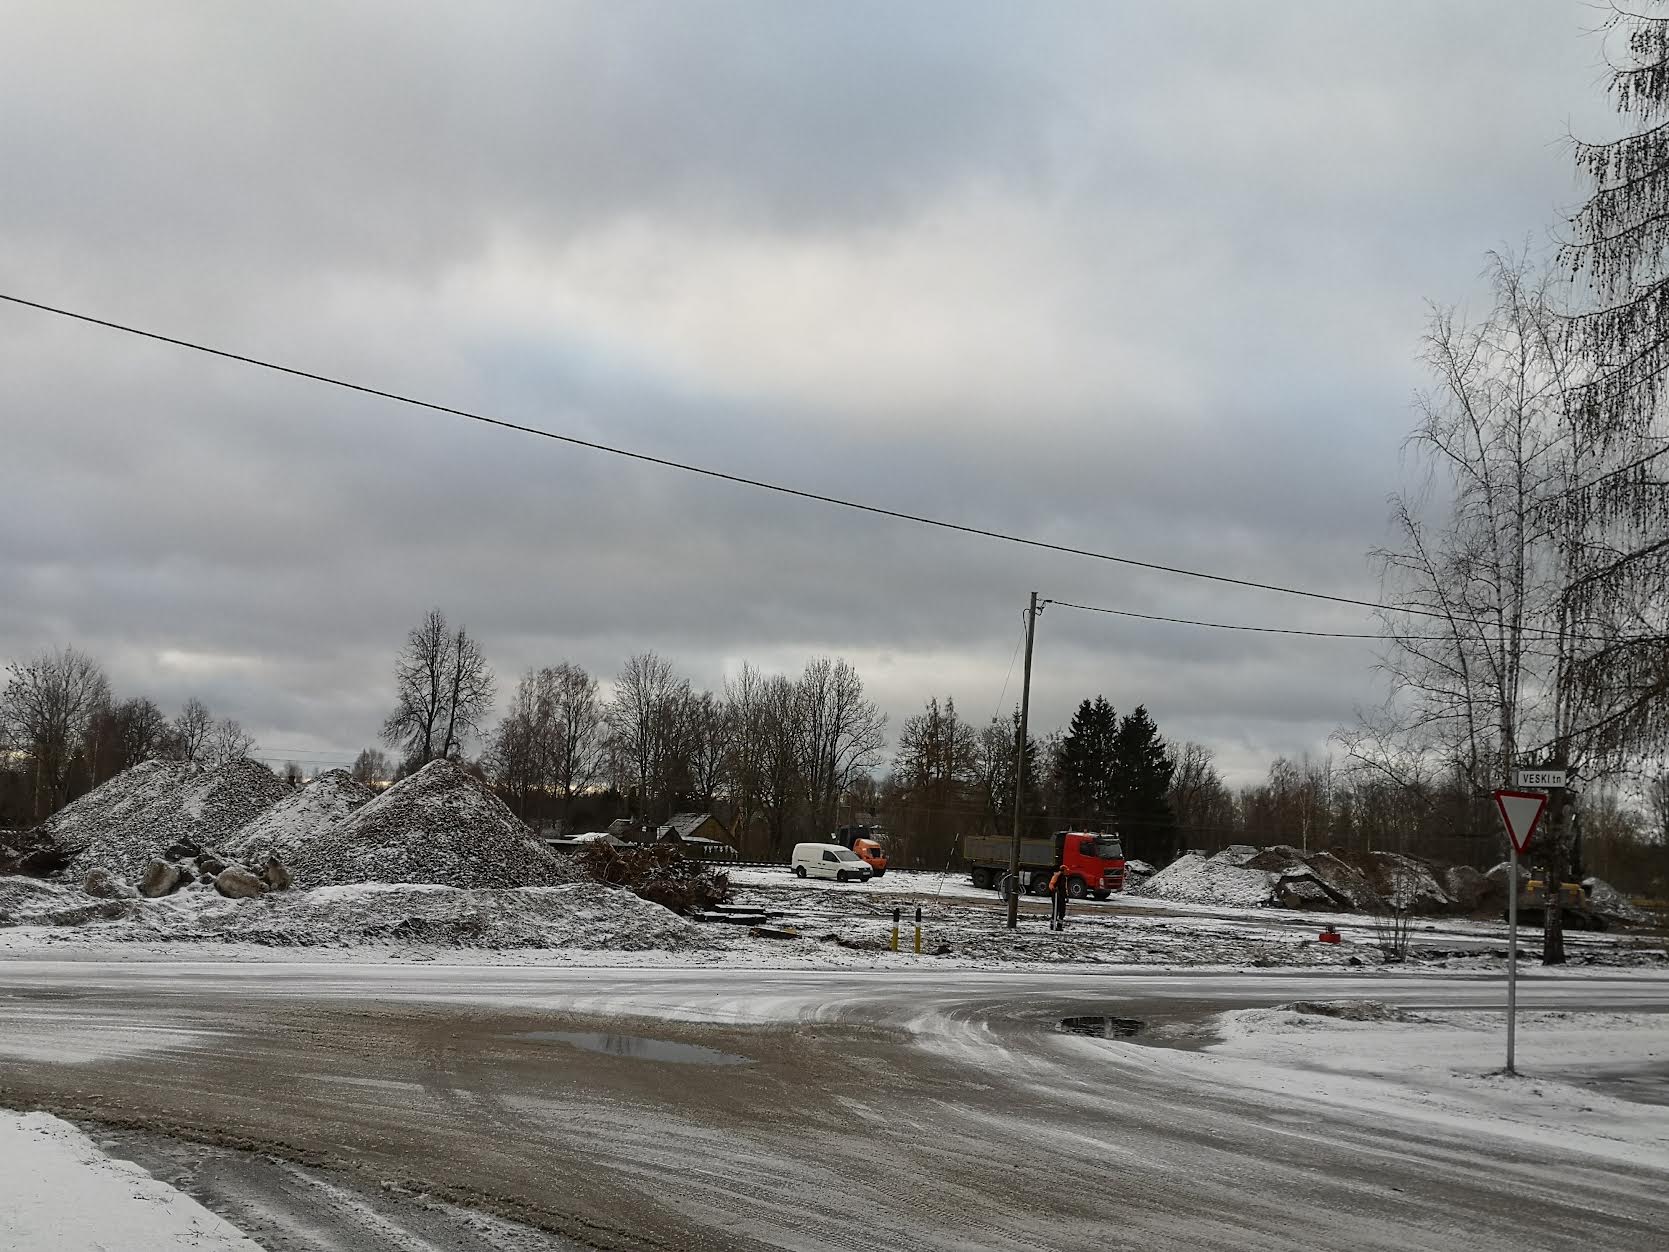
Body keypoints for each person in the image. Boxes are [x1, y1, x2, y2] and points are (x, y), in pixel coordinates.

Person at [1048, 861, 1070, 931]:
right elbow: (1051, 884)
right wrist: (1054, 890)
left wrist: (1066, 896)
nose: (1067, 872)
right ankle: (1052, 925)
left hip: (1062, 896)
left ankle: (1059, 925)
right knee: (1056, 910)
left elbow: (1065, 888)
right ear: (1063, 870)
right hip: (1056, 895)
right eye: (1066, 870)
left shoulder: (1064, 878)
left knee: (1062, 911)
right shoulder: (1057, 875)